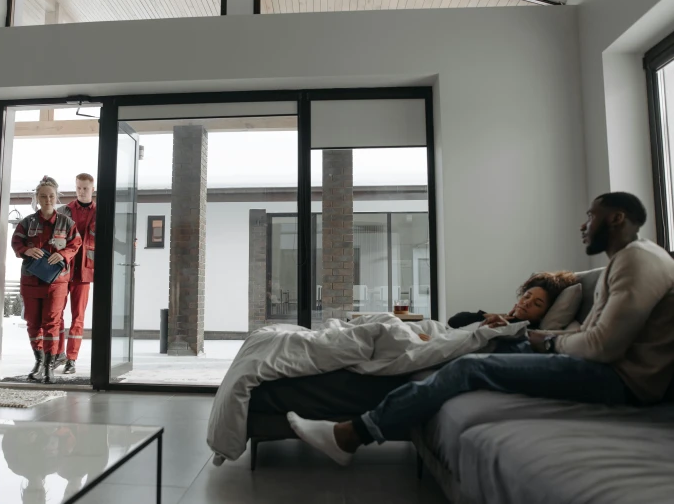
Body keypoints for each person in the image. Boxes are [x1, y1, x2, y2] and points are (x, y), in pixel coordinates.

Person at [287, 192, 674, 466]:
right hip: (602, 368)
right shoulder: (625, 261)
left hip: (621, 382)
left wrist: (550, 341)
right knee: (473, 353)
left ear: (617, 218)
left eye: (591, 215)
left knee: (470, 367)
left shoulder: (639, 261)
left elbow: (603, 347)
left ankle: (352, 435)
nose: (583, 225)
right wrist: (537, 339)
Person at [11, 176, 81, 384]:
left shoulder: (67, 223)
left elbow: (75, 244)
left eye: (51, 196)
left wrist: (63, 254)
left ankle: (50, 365)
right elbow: (16, 243)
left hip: (57, 281)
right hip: (31, 280)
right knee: (33, 322)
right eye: (43, 196)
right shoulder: (27, 223)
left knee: (51, 322)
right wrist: (26, 250)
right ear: (37, 198)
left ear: (56, 197)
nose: (48, 199)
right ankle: (38, 362)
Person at [52, 173, 96, 375]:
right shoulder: (63, 211)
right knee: (57, 315)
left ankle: (72, 359)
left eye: (85, 188)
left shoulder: (101, 212)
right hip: (62, 270)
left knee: (78, 318)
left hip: (85, 273)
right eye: (79, 188)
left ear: (92, 189)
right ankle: (57, 354)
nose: (82, 191)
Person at [447, 271, 578, 330]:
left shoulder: (526, 330)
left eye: (537, 304)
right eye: (526, 297)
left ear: (544, 314)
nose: (527, 302)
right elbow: (454, 321)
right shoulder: (505, 319)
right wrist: (496, 315)